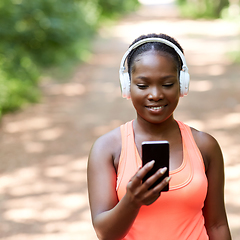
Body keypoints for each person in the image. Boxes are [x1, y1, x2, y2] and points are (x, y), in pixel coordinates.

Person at [87, 33, 232, 240]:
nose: (155, 94)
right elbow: (105, 233)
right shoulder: (107, 148)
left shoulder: (205, 146)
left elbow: (217, 224)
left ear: (182, 85)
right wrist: (132, 201)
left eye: (167, 84)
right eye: (143, 85)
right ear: (127, 87)